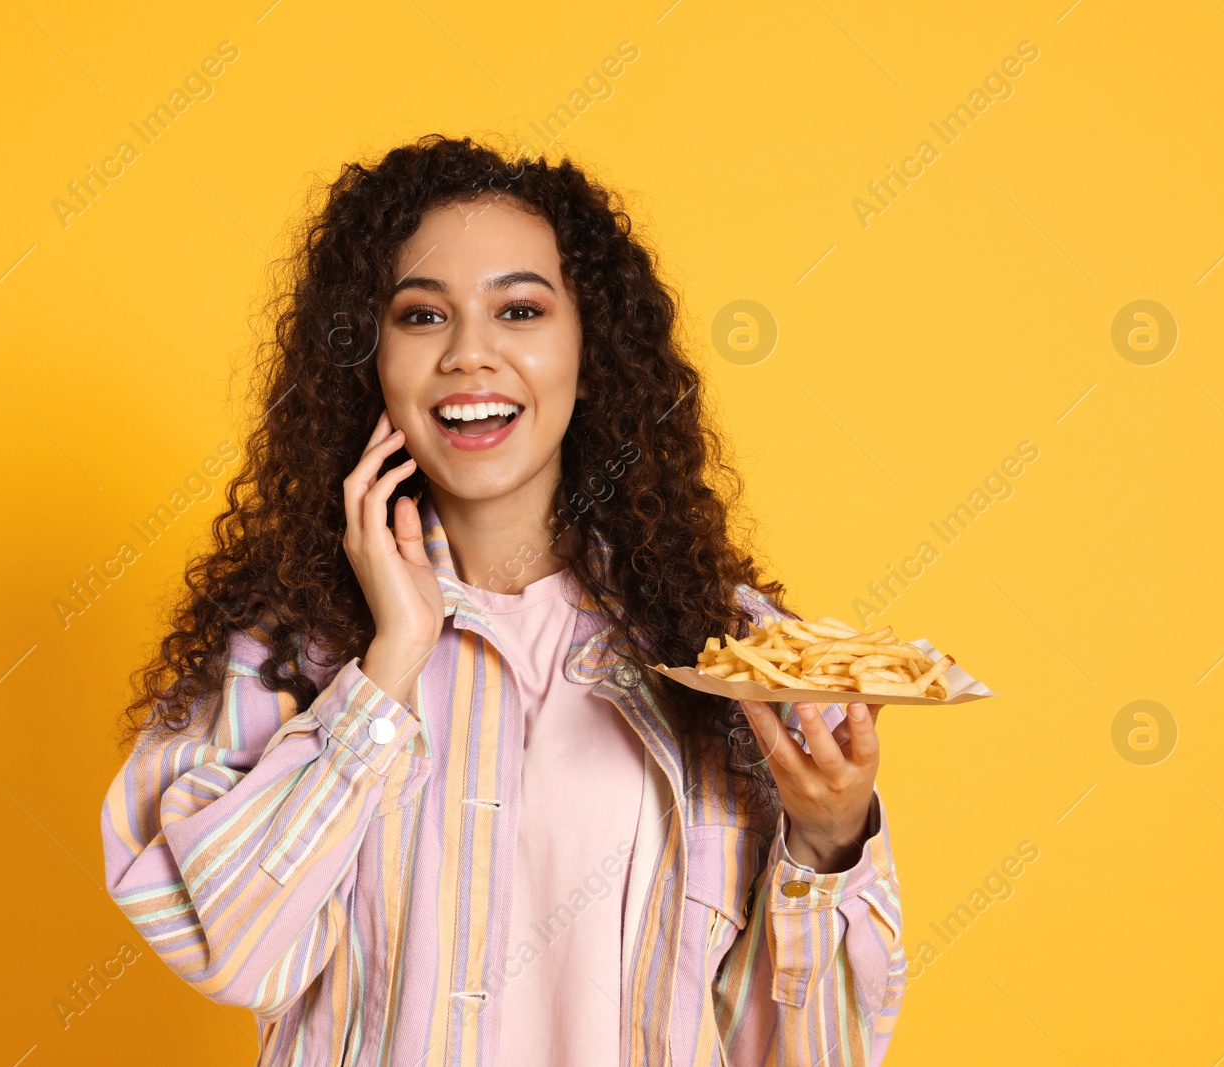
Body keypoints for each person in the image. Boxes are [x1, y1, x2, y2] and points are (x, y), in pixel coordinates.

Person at [100, 135, 905, 1066]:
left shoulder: (731, 656)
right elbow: (226, 947)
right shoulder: (287, 653)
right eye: (421, 315)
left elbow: (811, 1051)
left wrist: (831, 840)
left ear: (588, 344)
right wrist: (389, 663)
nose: (471, 355)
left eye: (519, 308)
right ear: (370, 358)